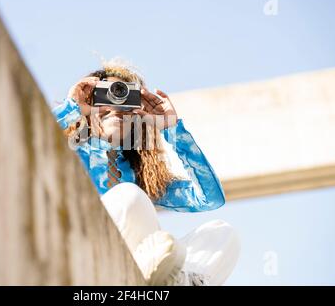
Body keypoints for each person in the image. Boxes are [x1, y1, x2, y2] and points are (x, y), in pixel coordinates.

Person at [53, 62, 240, 285]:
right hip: (82, 255)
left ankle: (174, 281)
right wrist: (71, 107)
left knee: (222, 234)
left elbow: (209, 199)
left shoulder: (140, 175)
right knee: (129, 197)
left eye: (125, 99)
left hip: (131, 267)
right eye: (105, 97)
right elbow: (23, 144)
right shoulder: (66, 150)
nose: (116, 107)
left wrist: (172, 129)